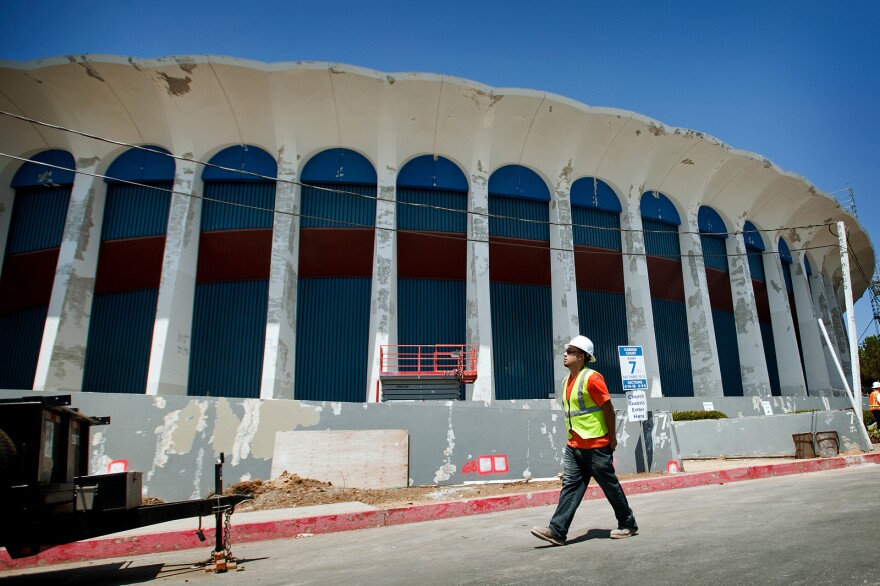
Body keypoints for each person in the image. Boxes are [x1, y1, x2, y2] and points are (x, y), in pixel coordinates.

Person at [531, 335, 638, 546]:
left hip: (596, 444)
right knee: (570, 487)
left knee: (609, 486)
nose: (565, 354)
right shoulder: (566, 380)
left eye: (570, 352)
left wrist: (612, 439)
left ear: (581, 356)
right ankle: (557, 531)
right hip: (574, 444)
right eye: (566, 351)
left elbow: (608, 410)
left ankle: (628, 524)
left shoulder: (592, 378)